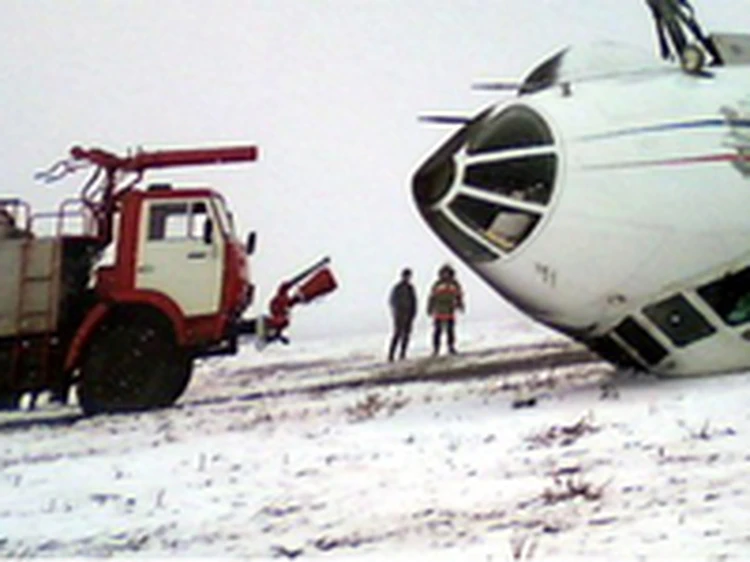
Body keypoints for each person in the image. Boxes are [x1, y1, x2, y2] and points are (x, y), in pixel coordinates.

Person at [427, 264, 464, 355]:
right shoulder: (437, 284)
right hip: (439, 310)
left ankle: (451, 347)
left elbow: (459, 295)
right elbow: (432, 297)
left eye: (447, 273)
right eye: (444, 273)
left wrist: (460, 305)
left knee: (450, 330)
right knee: (437, 331)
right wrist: (430, 308)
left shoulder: (454, 284)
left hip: (450, 309)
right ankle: (436, 349)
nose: (445, 275)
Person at [387, 268, 417, 362]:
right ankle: (391, 355)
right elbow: (392, 301)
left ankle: (402, 353)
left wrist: (413, 313)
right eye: (406, 276)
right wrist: (396, 311)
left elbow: (414, 301)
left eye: (409, 276)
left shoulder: (410, 288)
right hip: (399, 315)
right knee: (397, 334)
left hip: (409, 314)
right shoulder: (397, 288)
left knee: (406, 335)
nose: (407, 278)